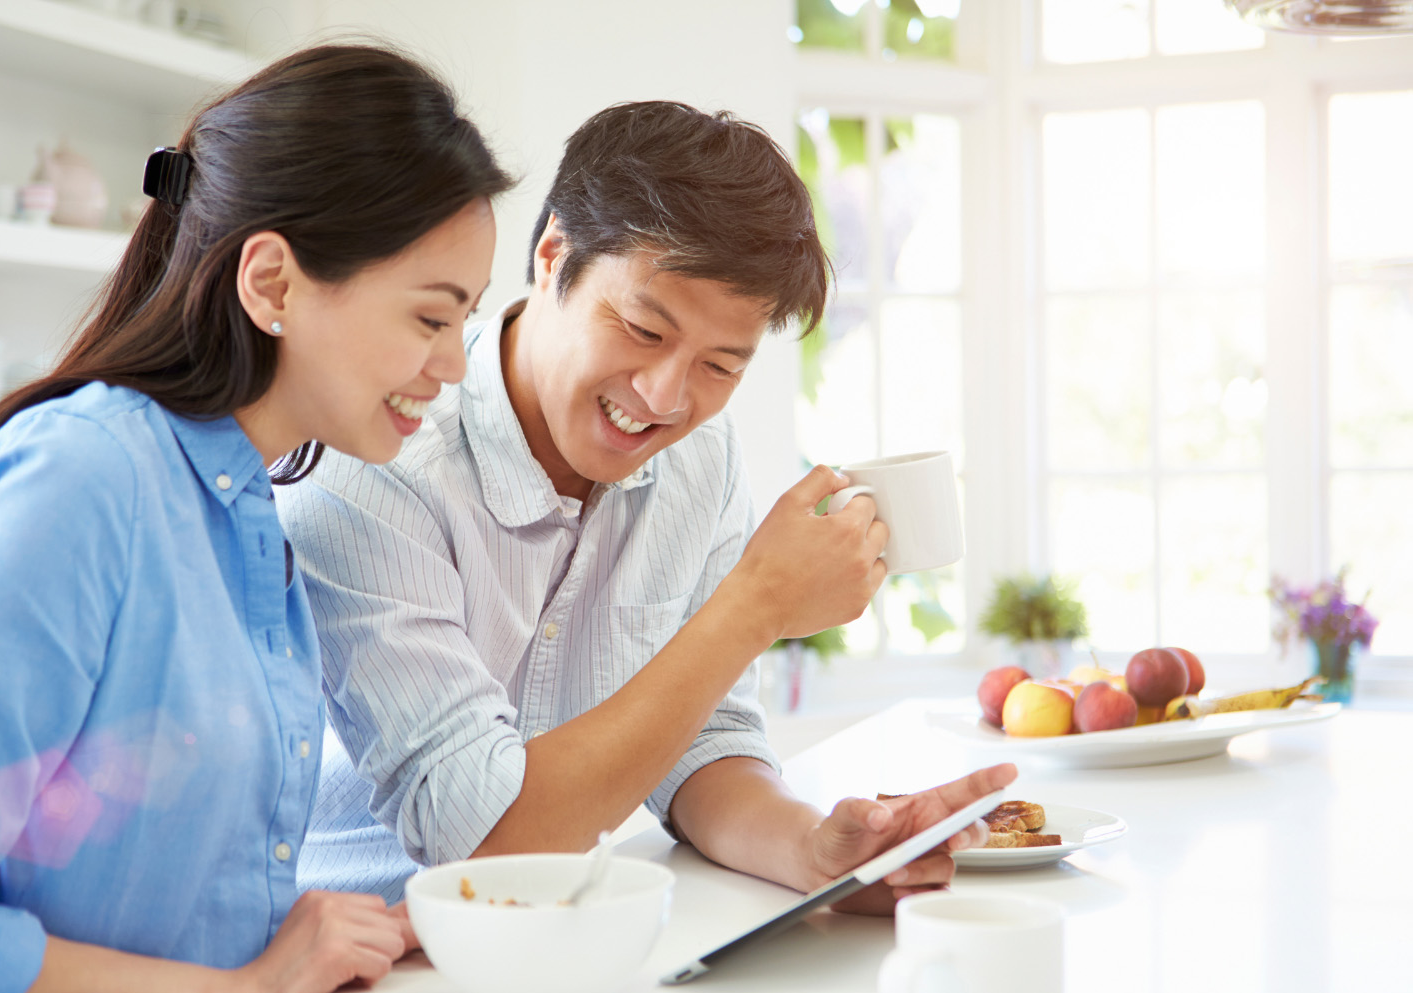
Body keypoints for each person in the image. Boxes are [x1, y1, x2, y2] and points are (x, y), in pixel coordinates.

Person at [0, 45, 511, 993]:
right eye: (431, 317)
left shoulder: (248, 514)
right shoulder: (81, 486)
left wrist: (327, 944)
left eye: (467, 322)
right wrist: (245, 992)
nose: (452, 366)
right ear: (272, 280)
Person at [284, 101, 1013, 913]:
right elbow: (483, 844)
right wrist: (755, 604)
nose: (666, 397)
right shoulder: (378, 463)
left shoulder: (701, 459)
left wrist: (817, 853)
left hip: (579, 932)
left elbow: (704, 743)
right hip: (366, 969)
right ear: (553, 257)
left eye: (721, 364)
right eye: (641, 328)